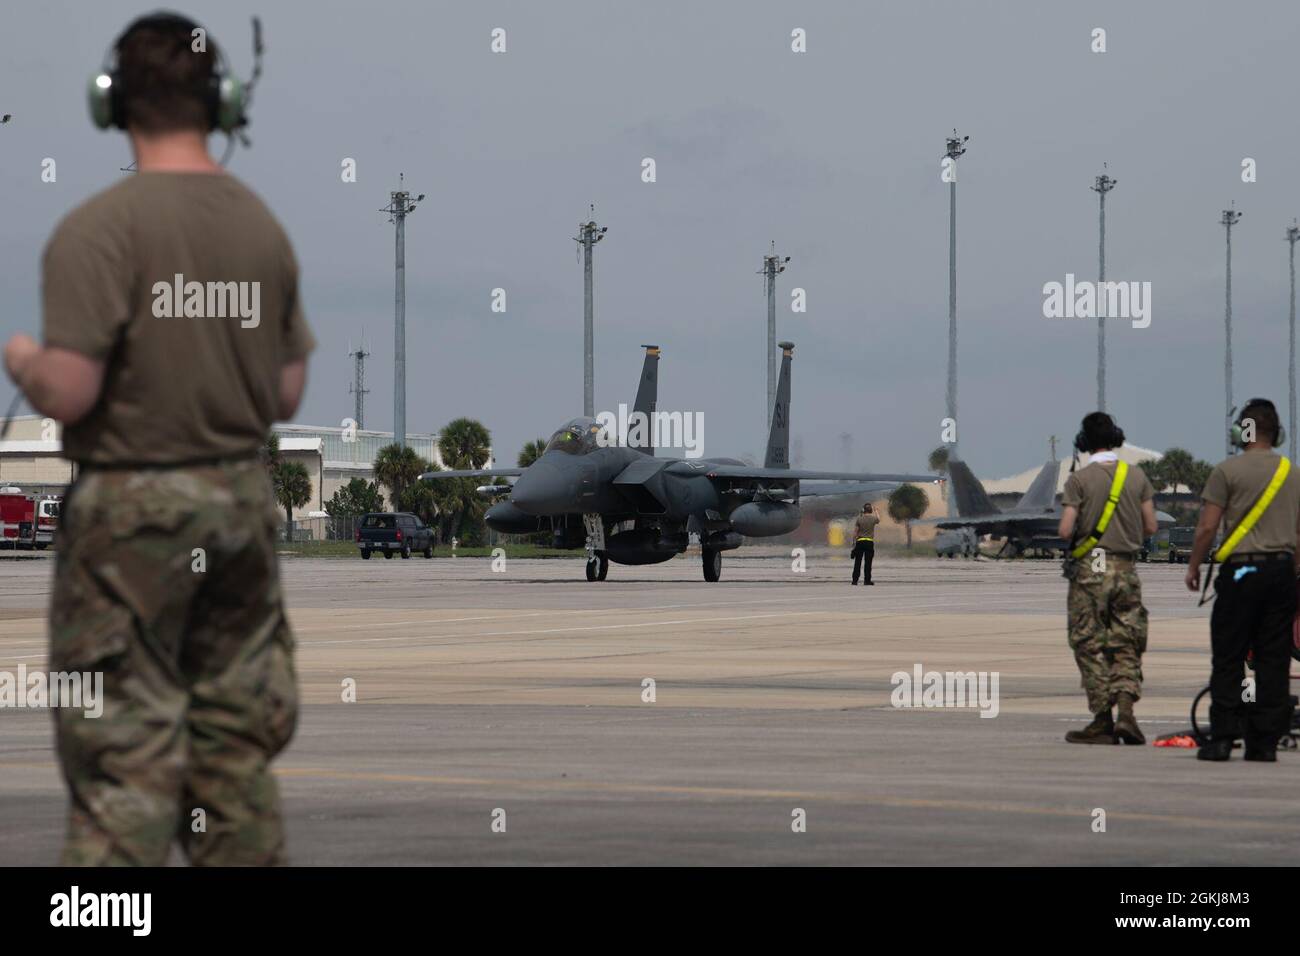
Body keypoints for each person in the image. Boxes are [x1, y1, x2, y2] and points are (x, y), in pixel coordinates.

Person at [2, 12, 313, 864]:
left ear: (113, 104)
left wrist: (24, 358)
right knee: (234, 763)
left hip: (131, 518)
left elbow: (74, 389)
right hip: (240, 509)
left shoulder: (96, 230)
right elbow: (289, 391)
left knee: (120, 770)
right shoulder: (261, 228)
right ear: (222, 101)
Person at [1185, 398, 1300, 762]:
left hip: (1241, 571)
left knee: (1230, 655)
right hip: (1281, 572)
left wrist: (1194, 566)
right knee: (1274, 658)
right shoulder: (1292, 474)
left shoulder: (1226, 471)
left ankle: (1222, 738)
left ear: (1243, 431)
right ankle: (1264, 744)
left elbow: (1206, 527)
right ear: (1276, 433)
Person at [1058, 412, 1157, 745]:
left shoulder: (1079, 480)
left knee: (1088, 642)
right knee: (1126, 641)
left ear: (1084, 442)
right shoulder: (1137, 477)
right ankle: (1127, 714)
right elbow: (1151, 526)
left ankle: (1102, 718)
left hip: (1092, 568)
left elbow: (1066, 529)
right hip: (1126, 569)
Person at [851, 502, 880, 585]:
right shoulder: (873, 519)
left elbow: (855, 532)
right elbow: (879, 519)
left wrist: (854, 543)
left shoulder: (859, 519)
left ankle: (855, 580)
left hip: (860, 542)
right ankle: (867, 580)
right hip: (869, 542)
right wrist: (876, 511)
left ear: (863, 510)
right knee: (868, 563)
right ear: (870, 510)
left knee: (857, 562)